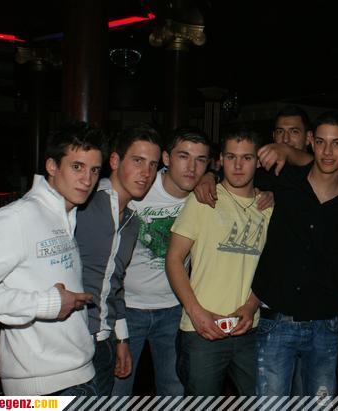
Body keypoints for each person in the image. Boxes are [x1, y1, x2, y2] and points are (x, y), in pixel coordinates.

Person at [0, 122, 106, 395]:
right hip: (42, 387)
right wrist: (48, 303)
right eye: (77, 167)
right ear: (52, 166)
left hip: (81, 374)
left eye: (94, 170)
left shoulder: (67, 215)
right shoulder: (17, 218)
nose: (87, 180)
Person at [252, 111, 338, 396]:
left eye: (336, 143)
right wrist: (207, 179)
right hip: (276, 320)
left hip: (324, 325)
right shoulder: (284, 179)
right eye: (321, 142)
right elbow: (232, 175)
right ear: (311, 142)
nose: (327, 151)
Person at [166, 128, 273, 395]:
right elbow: (174, 259)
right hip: (201, 330)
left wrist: (251, 306)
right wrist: (196, 312)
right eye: (231, 157)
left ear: (258, 162)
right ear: (221, 160)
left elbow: (271, 268)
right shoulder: (203, 198)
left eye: (246, 158)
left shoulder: (268, 207)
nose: (238, 165)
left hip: (249, 329)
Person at [112, 127, 211, 396]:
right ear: (166, 158)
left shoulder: (203, 196)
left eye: (201, 160)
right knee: (117, 391)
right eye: (183, 156)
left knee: (174, 391)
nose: (192, 168)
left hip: (174, 308)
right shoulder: (141, 184)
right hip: (127, 308)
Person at [77, 124, 161, 395]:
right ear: (114, 161)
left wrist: (121, 338)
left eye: (153, 165)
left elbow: (114, 283)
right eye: (137, 161)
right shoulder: (84, 205)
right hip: (70, 344)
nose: (146, 173)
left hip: (105, 342)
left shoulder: (132, 222)